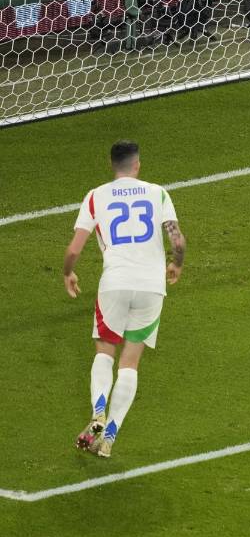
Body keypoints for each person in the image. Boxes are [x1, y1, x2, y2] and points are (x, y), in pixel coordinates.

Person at [63, 140, 185, 458]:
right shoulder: (158, 192)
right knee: (130, 363)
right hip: (151, 287)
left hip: (114, 285)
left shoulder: (96, 196)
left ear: (111, 164)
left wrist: (68, 273)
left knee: (104, 353)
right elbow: (177, 239)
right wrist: (176, 263)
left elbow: (74, 249)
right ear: (138, 165)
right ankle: (110, 436)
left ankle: (98, 412)